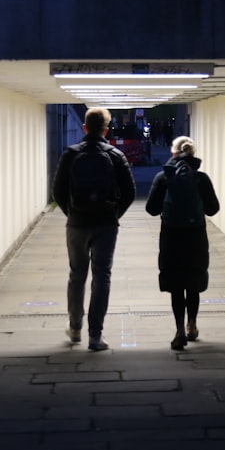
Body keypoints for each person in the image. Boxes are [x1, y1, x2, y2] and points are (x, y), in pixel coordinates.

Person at [52, 107, 136, 351]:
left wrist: (73, 213)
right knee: (102, 277)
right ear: (106, 129)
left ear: (85, 128)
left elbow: (57, 191)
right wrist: (112, 215)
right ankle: (95, 336)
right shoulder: (115, 155)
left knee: (77, 275)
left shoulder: (70, 154)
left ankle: (75, 328)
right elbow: (129, 192)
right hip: (105, 225)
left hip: (77, 224)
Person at [145, 136, 220, 350]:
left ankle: (178, 329)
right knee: (193, 281)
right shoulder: (201, 178)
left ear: (173, 153)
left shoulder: (163, 177)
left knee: (176, 284)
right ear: (193, 154)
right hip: (195, 236)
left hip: (171, 237)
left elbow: (151, 209)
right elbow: (213, 209)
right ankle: (192, 325)